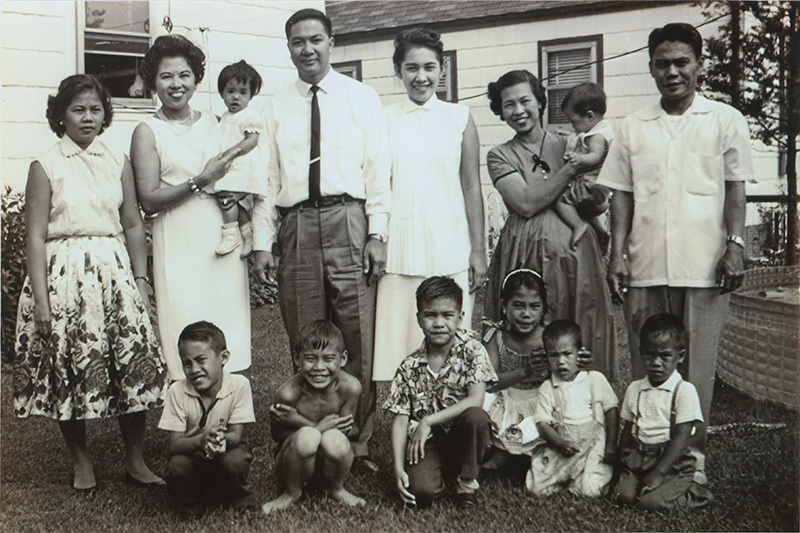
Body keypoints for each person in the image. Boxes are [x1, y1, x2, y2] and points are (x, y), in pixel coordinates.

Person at [597, 23, 752, 481]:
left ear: (699, 65)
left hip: (704, 264)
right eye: (662, 63)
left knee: (696, 366)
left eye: (681, 62)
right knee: (649, 361)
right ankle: (646, 449)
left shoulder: (725, 120)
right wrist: (616, 255)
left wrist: (735, 245)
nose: (672, 72)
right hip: (645, 263)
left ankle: (692, 458)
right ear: (650, 68)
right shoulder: (632, 126)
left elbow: (736, 187)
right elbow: (621, 194)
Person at [252, 8, 391, 473]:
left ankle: (358, 439)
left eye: (315, 40)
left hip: (348, 217)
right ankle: (302, 436)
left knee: (356, 334)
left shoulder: (361, 97)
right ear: (288, 47)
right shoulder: (276, 105)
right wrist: (261, 241)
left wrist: (377, 232)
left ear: (332, 43)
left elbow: (377, 170)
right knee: (307, 335)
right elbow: (268, 178)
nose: (307, 49)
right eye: (297, 42)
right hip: (296, 223)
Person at [14, 74, 166, 491]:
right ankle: (81, 461)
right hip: (65, 274)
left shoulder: (118, 161)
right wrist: (42, 301)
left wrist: (140, 278)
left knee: (129, 360)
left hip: (114, 270)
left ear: (105, 115)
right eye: (77, 109)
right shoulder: (46, 165)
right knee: (70, 364)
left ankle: (135, 459)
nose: (87, 117)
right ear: (61, 115)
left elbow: (133, 222)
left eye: (95, 110)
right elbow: (35, 235)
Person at [130, 34, 250, 380]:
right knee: (184, 320)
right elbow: (149, 199)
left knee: (226, 320)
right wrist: (201, 179)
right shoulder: (147, 131)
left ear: (196, 79)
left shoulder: (216, 122)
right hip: (178, 235)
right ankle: (188, 418)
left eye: (184, 75)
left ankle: (228, 413)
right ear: (154, 82)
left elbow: (240, 173)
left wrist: (242, 214)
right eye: (166, 76)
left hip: (219, 235)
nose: (176, 84)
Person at [483, 70, 616, 380]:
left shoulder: (571, 142)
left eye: (525, 101)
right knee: (526, 324)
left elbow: (599, 203)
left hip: (575, 255)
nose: (518, 111)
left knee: (580, 322)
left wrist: (594, 194)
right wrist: (570, 171)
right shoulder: (499, 155)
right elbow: (526, 203)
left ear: (539, 102)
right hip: (524, 252)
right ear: (500, 111)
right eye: (508, 105)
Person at [372, 27, 486, 381]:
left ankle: (450, 423)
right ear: (399, 71)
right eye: (411, 68)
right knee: (400, 348)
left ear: (442, 69)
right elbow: (377, 183)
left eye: (429, 67)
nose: (421, 77)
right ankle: (408, 419)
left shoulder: (460, 118)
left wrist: (478, 251)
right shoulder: (383, 119)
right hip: (400, 251)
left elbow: (471, 186)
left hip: (449, 248)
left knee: (451, 348)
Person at [385, 277, 498, 510]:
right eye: (430, 315)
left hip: (463, 433)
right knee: (421, 494)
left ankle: (466, 484)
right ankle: (444, 472)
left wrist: (428, 420)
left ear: (460, 317)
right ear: (419, 319)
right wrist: (398, 468)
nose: (439, 323)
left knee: (476, 417)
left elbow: (476, 399)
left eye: (447, 315)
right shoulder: (409, 366)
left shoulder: (472, 350)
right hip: (429, 441)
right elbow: (400, 419)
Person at [611, 314, 713, 510]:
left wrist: (658, 472)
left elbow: (682, 437)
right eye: (650, 355)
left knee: (651, 503)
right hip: (638, 457)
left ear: (680, 356)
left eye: (665, 356)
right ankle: (642, 483)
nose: (656, 362)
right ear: (641, 354)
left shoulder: (683, 390)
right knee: (621, 496)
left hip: (671, 463)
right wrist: (619, 466)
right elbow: (627, 430)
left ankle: (695, 494)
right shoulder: (635, 388)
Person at [263, 320, 366, 514]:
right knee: (308, 437)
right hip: (294, 463)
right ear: (297, 358)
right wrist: (316, 428)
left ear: (342, 359)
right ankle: (292, 492)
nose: (319, 367)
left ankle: (336, 488)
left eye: (328, 359)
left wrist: (300, 421)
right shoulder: (288, 393)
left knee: (333, 439)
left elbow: (348, 431)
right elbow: (277, 435)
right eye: (310, 358)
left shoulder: (350, 387)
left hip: (331, 463)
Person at [158, 321, 257, 516]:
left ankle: (237, 499)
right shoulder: (177, 391)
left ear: (224, 357)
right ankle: (190, 504)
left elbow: (236, 436)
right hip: (192, 455)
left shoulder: (239, 385)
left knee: (236, 460)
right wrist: (202, 440)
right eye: (187, 363)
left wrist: (219, 439)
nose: (194, 369)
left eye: (201, 360)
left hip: (225, 450)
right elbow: (175, 445)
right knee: (177, 466)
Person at [526, 320, 618, 498]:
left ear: (580, 353)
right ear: (546, 357)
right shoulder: (548, 387)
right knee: (536, 489)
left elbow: (611, 409)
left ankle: (583, 480)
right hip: (562, 449)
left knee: (590, 491)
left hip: (592, 448)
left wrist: (612, 444)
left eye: (567, 354)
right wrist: (559, 443)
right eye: (554, 356)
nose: (561, 362)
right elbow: (542, 422)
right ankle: (565, 479)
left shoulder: (594, 379)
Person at [481, 269, 549, 461]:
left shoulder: (550, 337)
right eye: (518, 306)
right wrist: (524, 372)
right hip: (506, 398)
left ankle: (531, 454)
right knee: (479, 397)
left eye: (534, 306)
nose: (526, 314)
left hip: (542, 401)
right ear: (504, 306)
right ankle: (501, 451)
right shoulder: (496, 336)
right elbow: (489, 382)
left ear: (543, 308)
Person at [204, 60, 267, 257]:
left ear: (250, 96)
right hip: (231, 165)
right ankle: (247, 235)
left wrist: (230, 153)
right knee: (234, 201)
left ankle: (230, 233)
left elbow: (251, 141)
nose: (236, 97)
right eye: (231, 91)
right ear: (222, 94)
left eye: (242, 92)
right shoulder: (225, 117)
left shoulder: (250, 116)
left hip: (242, 164)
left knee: (227, 197)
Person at [555, 82, 613, 250]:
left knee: (561, 202)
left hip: (591, 187)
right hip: (599, 191)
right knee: (583, 211)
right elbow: (582, 138)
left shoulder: (597, 137)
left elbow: (595, 156)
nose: (573, 127)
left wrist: (579, 158)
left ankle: (577, 226)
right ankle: (600, 232)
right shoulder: (603, 129)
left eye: (574, 123)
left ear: (589, 116)